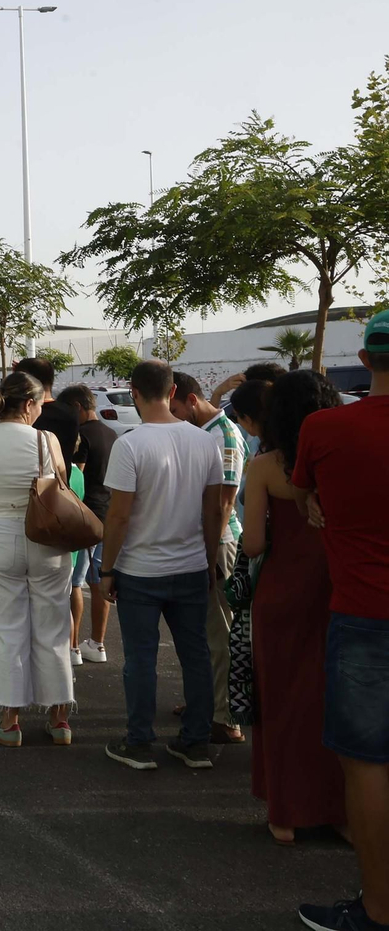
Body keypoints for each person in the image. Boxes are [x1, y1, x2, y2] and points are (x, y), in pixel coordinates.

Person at [292, 311, 389, 931]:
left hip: (363, 615)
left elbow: (306, 498)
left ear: (366, 354)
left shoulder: (324, 428)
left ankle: (377, 911)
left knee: (368, 765)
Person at [98, 360, 224, 772]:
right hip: (189, 566)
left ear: (133, 392)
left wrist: (107, 569)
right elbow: (212, 511)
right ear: (173, 392)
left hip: (140, 570)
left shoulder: (131, 445)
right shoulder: (205, 442)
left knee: (141, 658)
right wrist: (207, 561)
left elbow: (118, 517)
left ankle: (139, 744)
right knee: (196, 656)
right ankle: (196, 743)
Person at [240, 371, 345, 844]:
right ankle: (341, 811)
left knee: (281, 703)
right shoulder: (342, 455)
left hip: (282, 593)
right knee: (336, 701)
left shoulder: (264, 465)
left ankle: (285, 815)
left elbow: (255, 544)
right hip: (340, 587)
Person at [0, 371, 76, 747]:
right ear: (30, 404)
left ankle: (9, 721)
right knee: (53, 625)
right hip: (45, 537)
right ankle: (59, 719)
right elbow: (61, 481)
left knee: (5, 627)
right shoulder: (48, 440)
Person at [169, 371, 247, 744]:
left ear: (190, 401)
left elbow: (224, 501)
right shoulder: (207, 431)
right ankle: (206, 700)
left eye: (175, 408)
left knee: (220, 632)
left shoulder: (224, 435)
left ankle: (225, 715)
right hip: (204, 541)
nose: (174, 416)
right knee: (203, 631)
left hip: (218, 543)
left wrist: (209, 552)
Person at [57, 385, 114, 667]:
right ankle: (98, 643)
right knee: (100, 582)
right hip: (109, 516)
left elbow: (75, 478)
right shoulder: (112, 434)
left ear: (78, 407)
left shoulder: (83, 437)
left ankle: (74, 646)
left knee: (75, 584)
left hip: (85, 519)